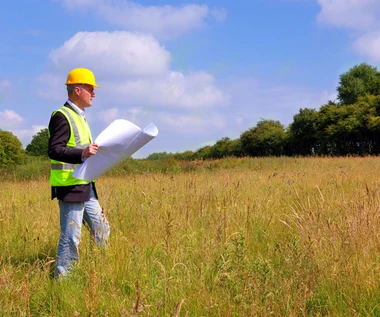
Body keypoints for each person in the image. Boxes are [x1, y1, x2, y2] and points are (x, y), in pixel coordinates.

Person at [48, 67, 110, 278]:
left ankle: (98, 272)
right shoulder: (62, 116)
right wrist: (81, 152)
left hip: (86, 185)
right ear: (77, 89)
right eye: (90, 88)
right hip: (70, 185)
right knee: (71, 236)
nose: (94, 93)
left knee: (102, 229)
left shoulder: (80, 116)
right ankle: (63, 281)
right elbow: (54, 149)